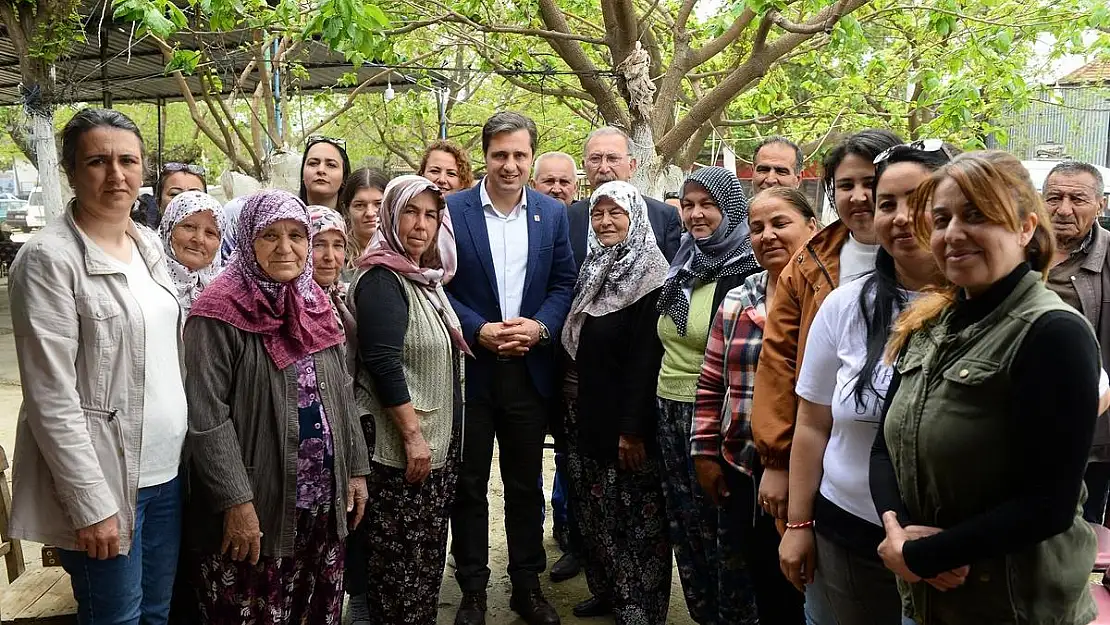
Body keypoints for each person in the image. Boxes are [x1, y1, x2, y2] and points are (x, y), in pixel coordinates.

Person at [870, 151, 1100, 625]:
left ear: (1024, 228)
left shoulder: (1053, 333)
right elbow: (882, 448)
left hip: (1016, 606)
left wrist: (926, 555)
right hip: (927, 600)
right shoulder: (928, 323)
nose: (953, 233)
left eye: (976, 215)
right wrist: (898, 533)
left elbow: (1049, 505)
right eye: (941, 219)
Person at [8, 107, 187, 623]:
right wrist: (91, 503)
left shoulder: (147, 244)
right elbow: (51, 397)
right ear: (70, 170)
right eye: (97, 161)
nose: (116, 175)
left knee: (157, 612)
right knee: (116, 617)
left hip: (167, 473)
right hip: (108, 483)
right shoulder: (48, 259)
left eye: (128, 161)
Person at [780, 143, 951, 625]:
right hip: (846, 533)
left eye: (917, 200)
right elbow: (812, 424)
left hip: (948, 548)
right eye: (887, 203)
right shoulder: (845, 306)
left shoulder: (989, 306)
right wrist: (797, 524)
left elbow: (1092, 394)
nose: (900, 217)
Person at [181, 189, 370, 624]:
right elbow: (206, 416)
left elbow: (341, 392)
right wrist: (236, 501)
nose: (286, 248)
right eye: (269, 235)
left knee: (314, 608)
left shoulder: (315, 303)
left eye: (297, 235)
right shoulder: (217, 311)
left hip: (322, 503)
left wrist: (355, 470)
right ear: (247, 240)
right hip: (259, 507)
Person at [445, 111, 576, 625]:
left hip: (528, 370)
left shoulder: (551, 213)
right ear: (484, 156)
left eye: (520, 155)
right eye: (500, 154)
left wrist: (540, 328)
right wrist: (478, 328)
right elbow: (440, 282)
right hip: (473, 369)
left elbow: (564, 283)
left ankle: (528, 587)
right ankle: (473, 591)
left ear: (531, 157)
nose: (510, 165)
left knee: (525, 486)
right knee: (470, 485)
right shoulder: (453, 211)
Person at [750, 129, 902, 531]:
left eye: (871, 183)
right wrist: (777, 461)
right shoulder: (809, 262)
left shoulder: (933, 258)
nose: (858, 197)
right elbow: (779, 360)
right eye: (846, 185)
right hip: (822, 450)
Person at [692, 186, 818, 625]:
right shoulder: (738, 299)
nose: (767, 236)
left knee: (814, 590)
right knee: (767, 583)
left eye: (780, 223)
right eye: (757, 228)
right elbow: (711, 383)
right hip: (746, 470)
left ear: (812, 228)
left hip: (817, 476)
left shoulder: (835, 300)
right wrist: (705, 452)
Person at [348, 175, 470, 624]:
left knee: (420, 568)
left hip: (430, 449)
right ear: (390, 216)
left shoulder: (422, 277)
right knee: (399, 569)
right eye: (410, 212)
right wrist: (414, 437)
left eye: (431, 215)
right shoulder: (382, 279)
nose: (421, 225)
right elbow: (384, 364)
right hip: (401, 453)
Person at [655, 165, 763, 625]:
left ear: (731, 207)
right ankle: (703, 613)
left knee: (726, 529)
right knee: (687, 526)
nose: (696, 215)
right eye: (688, 205)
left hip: (719, 417)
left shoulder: (749, 270)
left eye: (708, 205)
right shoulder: (684, 262)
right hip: (668, 411)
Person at [562, 181, 672, 624]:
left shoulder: (651, 277)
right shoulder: (592, 269)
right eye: (597, 214)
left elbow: (646, 363)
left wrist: (632, 429)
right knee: (596, 515)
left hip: (626, 425)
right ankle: (608, 592)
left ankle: (640, 606)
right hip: (585, 415)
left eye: (616, 214)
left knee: (636, 521)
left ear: (636, 218)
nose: (605, 222)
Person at [1042, 160, 1110, 524]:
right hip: (1016, 421)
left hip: (1091, 428)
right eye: (1054, 198)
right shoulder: (1017, 248)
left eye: (1078, 199)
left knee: (1080, 527)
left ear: (1101, 205)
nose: (1064, 209)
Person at [532, 148, 583, 585]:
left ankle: (570, 535)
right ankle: (529, 538)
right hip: (529, 358)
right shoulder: (525, 224)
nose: (556, 188)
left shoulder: (594, 223)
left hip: (575, 374)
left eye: (565, 181)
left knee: (571, 458)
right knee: (526, 457)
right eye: (547, 180)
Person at [568, 127, 682, 264]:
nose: (604, 168)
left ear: (632, 166)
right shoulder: (568, 217)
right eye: (595, 159)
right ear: (584, 166)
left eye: (612, 158)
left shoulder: (663, 216)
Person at [159, 190, 227, 312]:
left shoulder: (229, 291)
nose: (199, 239)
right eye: (189, 227)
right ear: (168, 229)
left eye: (210, 233)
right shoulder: (148, 280)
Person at [341, 168, 389, 273]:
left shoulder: (405, 254)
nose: (370, 213)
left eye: (378, 204)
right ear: (346, 210)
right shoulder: (335, 255)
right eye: (359, 205)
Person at [299, 136, 352, 210]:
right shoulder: (284, 218)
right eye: (313, 163)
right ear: (302, 174)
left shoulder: (358, 220)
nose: (321, 170)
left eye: (331, 165)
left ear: (344, 177)